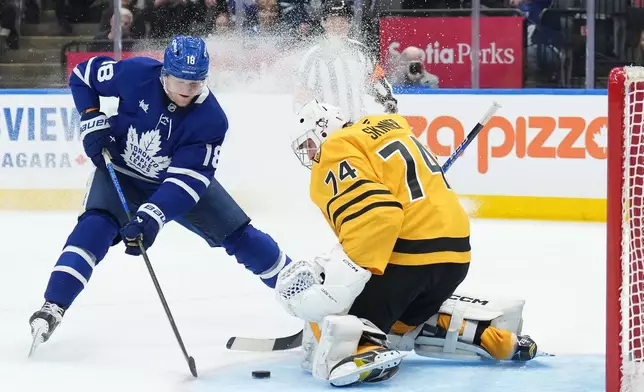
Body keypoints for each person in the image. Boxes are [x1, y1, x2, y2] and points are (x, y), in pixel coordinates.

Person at [28, 35, 292, 352]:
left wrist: (151, 217)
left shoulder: (211, 120)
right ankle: (53, 305)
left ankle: (301, 289)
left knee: (239, 235)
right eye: (180, 80)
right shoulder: (136, 73)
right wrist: (90, 116)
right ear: (164, 71)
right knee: (94, 227)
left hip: (175, 181)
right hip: (121, 172)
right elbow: (83, 76)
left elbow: (186, 184)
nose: (186, 90)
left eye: (195, 84)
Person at [274, 100, 538, 387]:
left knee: (331, 314)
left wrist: (341, 278)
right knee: (401, 324)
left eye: (310, 143)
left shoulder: (336, 148)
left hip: (411, 258)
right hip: (455, 258)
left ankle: (363, 348)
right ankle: (490, 337)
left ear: (324, 130)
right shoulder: (390, 132)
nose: (310, 153)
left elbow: (378, 216)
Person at [293, 0, 397, 122]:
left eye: (342, 20)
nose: (338, 25)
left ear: (349, 23)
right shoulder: (311, 56)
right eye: (332, 20)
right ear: (324, 23)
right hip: (327, 130)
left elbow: (376, 79)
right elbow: (302, 94)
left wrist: (387, 99)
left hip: (357, 126)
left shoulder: (362, 51)